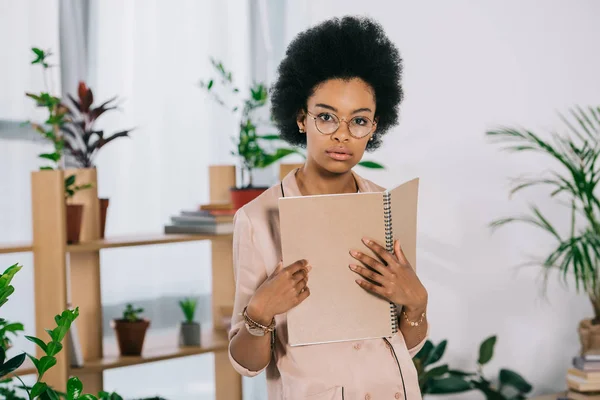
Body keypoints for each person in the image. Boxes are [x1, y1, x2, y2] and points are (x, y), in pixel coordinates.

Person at [228, 15, 429, 400]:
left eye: (359, 121)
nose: (341, 134)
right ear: (301, 117)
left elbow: (407, 343)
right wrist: (260, 312)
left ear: (374, 127)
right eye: (325, 117)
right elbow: (247, 364)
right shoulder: (256, 219)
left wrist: (416, 303)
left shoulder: (387, 205)